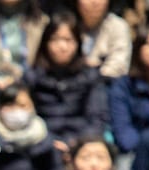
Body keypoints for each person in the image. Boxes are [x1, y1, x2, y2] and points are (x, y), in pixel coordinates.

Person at [23, 13, 108, 145]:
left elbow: (97, 118)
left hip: (81, 144)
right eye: (55, 39)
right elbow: (26, 119)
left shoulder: (90, 76)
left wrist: (76, 145)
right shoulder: (32, 77)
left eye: (68, 40)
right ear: (45, 43)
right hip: (41, 143)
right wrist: (49, 143)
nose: (62, 47)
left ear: (78, 44)